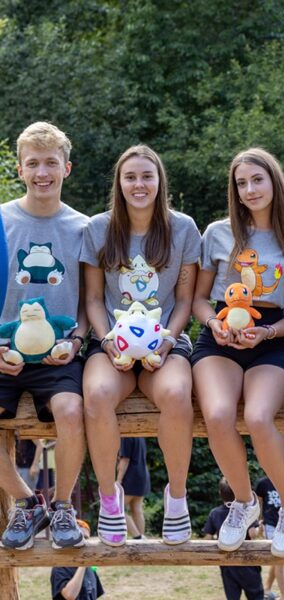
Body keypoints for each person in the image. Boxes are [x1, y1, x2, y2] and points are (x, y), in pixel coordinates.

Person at [192, 148, 284, 558]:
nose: (249, 190)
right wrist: (214, 324)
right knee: (217, 414)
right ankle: (244, 502)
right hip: (219, 339)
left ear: (274, 182)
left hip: (272, 340)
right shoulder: (217, 233)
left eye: (257, 180)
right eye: (241, 183)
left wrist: (265, 332)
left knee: (259, 416)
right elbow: (198, 299)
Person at [81, 145, 201, 546]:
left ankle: (177, 498)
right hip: (111, 343)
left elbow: (184, 301)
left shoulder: (183, 229)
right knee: (97, 394)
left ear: (159, 181)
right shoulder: (98, 228)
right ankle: (109, 498)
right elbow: (93, 299)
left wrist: (167, 342)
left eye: (147, 176)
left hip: (163, 343)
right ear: (119, 182)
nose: (139, 184)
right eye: (130, 177)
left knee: (177, 393)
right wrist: (108, 342)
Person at [0, 121, 88, 550]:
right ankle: (26, 503)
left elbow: (91, 302)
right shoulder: (1, 220)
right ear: (19, 169)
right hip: (5, 351)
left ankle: (64, 506)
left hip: (59, 353)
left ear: (66, 168)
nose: (42, 173)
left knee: (71, 411)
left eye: (51, 163)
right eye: (33, 163)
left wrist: (76, 342)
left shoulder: (84, 228)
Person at [203, 478, 264, 600]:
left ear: (220, 493)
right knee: (256, 596)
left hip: (227, 563)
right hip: (248, 561)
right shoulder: (246, 512)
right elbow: (252, 534)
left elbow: (208, 538)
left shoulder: (215, 513)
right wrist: (260, 529)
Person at [51, 520, 104, 599]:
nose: (84, 542)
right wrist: (83, 564)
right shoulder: (60, 567)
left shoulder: (89, 567)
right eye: (79, 537)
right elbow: (70, 595)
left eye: (86, 538)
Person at [116, 437, 150, 539]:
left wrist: (118, 480)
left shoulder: (126, 436)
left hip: (131, 476)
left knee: (117, 509)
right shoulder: (140, 436)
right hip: (143, 474)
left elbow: (125, 459)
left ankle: (137, 536)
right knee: (136, 509)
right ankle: (141, 538)